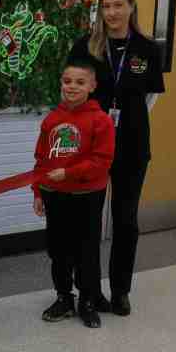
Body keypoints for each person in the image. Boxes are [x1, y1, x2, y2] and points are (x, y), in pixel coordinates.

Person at [66, 0, 164, 316]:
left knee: (126, 220)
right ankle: (89, 291)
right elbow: (73, 93)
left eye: (117, 5)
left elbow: (151, 96)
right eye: (105, 6)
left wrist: (122, 123)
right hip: (91, 147)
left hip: (133, 145)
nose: (111, 13)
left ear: (131, 7)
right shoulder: (86, 47)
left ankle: (120, 290)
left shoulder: (148, 48)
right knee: (87, 220)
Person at [32, 59, 115, 329]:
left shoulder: (100, 121)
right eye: (67, 81)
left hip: (87, 196)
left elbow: (101, 161)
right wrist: (37, 191)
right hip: (55, 195)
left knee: (87, 250)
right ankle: (64, 297)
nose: (72, 87)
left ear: (92, 86)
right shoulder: (52, 120)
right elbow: (40, 159)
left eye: (80, 82)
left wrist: (68, 174)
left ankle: (87, 300)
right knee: (58, 250)